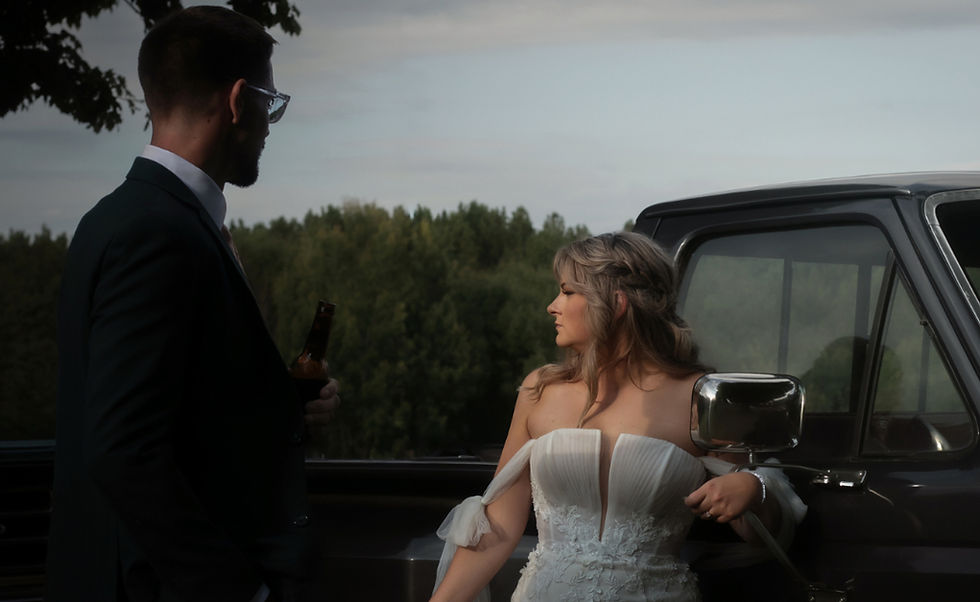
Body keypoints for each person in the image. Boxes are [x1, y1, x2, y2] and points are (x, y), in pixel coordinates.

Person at [46, 7, 339, 602]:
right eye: (270, 102)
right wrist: (239, 592)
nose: (268, 122)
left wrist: (278, 403)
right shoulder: (159, 233)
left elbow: (161, 399)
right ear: (238, 101)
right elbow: (124, 449)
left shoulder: (113, 220)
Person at [430, 232, 804, 602]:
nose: (552, 305)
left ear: (616, 303)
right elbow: (496, 526)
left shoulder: (698, 398)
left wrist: (755, 492)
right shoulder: (539, 392)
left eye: (567, 291)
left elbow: (762, 532)